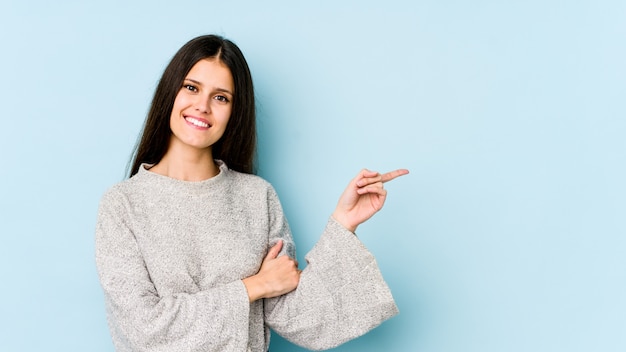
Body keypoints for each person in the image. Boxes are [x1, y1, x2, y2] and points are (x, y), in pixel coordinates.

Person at [95, 34, 409, 352]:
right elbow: (143, 328)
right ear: (170, 92)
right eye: (191, 87)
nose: (202, 106)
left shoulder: (257, 197)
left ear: (234, 111)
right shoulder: (123, 204)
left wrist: (344, 223)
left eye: (221, 98)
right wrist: (253, 286)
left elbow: (299, 317)